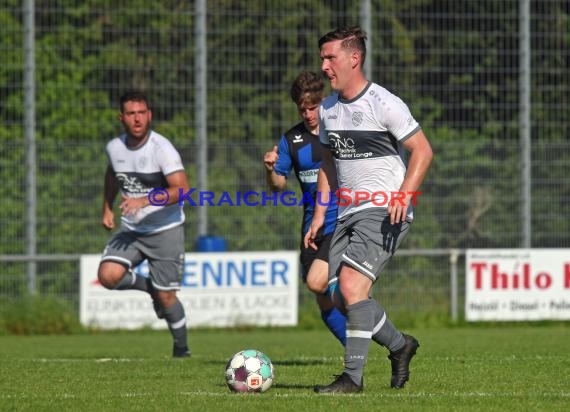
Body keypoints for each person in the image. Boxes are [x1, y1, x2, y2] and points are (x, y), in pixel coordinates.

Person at [304, 27, 433, 393]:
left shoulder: (384, 103)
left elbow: (422, 151)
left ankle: (352, 378)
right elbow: (329, 163)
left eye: (330, 57)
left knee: (351, 285)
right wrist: (318, 215)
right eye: (322, 58)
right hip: (346, 213)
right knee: (339, 296)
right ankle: (399, 345)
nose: (324, 65)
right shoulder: (328, 109)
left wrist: (404, 196)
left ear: (353, 58)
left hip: (383, 210)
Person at [98, 90, 191, 358]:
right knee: (108, 275)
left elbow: (182, 189)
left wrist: (144, 200)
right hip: (133, 230)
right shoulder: (114, 148)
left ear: (149, 115)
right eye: (131, 114)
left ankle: (181, 350)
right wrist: (106, 207)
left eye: (142, 113)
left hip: (166, 231)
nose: (137, 119)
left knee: (167, 299)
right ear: (121, 118)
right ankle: (151, 287)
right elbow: (112, 175)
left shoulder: (162, 149)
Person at [263, 71, 346, 346]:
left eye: (314, 107)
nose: (309, 114)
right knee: (321, 297)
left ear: (324, 101)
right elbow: (278, 187)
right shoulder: (291, 140)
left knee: (318, 283)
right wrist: (271, 168)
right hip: (313, 226)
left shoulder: (339, 129)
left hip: (341, 221)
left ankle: (370, 327)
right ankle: (357, 350)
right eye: (303, 109)